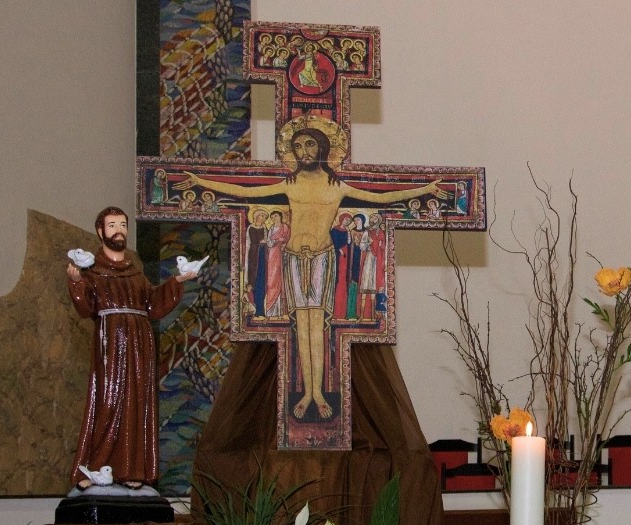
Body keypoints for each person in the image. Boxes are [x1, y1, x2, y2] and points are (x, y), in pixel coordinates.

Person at [175, 125, 450, 420]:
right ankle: (307, 392)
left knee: (316, 327)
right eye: (298, 147)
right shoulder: (290, 184)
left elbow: (382, 197)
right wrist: (201, 181)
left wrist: (424, 189)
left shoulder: (338, 187)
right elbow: (245, 191)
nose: (304, 152)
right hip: (292, 258)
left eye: (309, 145)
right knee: (301, 327)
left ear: (322, 148)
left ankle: (316, 392)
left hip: (321, 259)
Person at [66, 207, 196, 491]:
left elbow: (152, 302)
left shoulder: (134, 270)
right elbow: (85, 305)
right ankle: (97, 466)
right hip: (111, 343)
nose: (119, 230)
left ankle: (132, 469)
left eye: (123, 225)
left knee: (137, 404)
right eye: (112, 225)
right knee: (108, 402)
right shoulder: (92, 270)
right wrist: (76, 282)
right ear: (100, 231)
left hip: (139, 344)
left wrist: (176, 282)